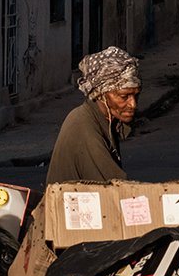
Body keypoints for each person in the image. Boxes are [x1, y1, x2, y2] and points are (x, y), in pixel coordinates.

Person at [47, 47, 137, 182]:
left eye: (136, 95)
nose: (133, 104)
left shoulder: (105, 121)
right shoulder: (83, 127)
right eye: (124, 96)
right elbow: (116, 188)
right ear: (101, 95)